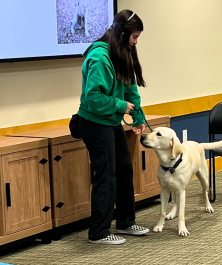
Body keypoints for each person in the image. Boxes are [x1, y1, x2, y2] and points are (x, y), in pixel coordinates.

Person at [77, 9, 149, 245]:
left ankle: (126, 222)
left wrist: (138, 116)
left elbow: (131, 90)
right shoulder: (100, 57)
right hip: (94, 123)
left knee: (125, 170)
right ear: (122, 33)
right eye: (134, 37)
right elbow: (93, 98)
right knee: (106, 176)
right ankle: (98, 232)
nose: (135, 42)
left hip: (110, 121)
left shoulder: (121, 53)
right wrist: (120, 105)